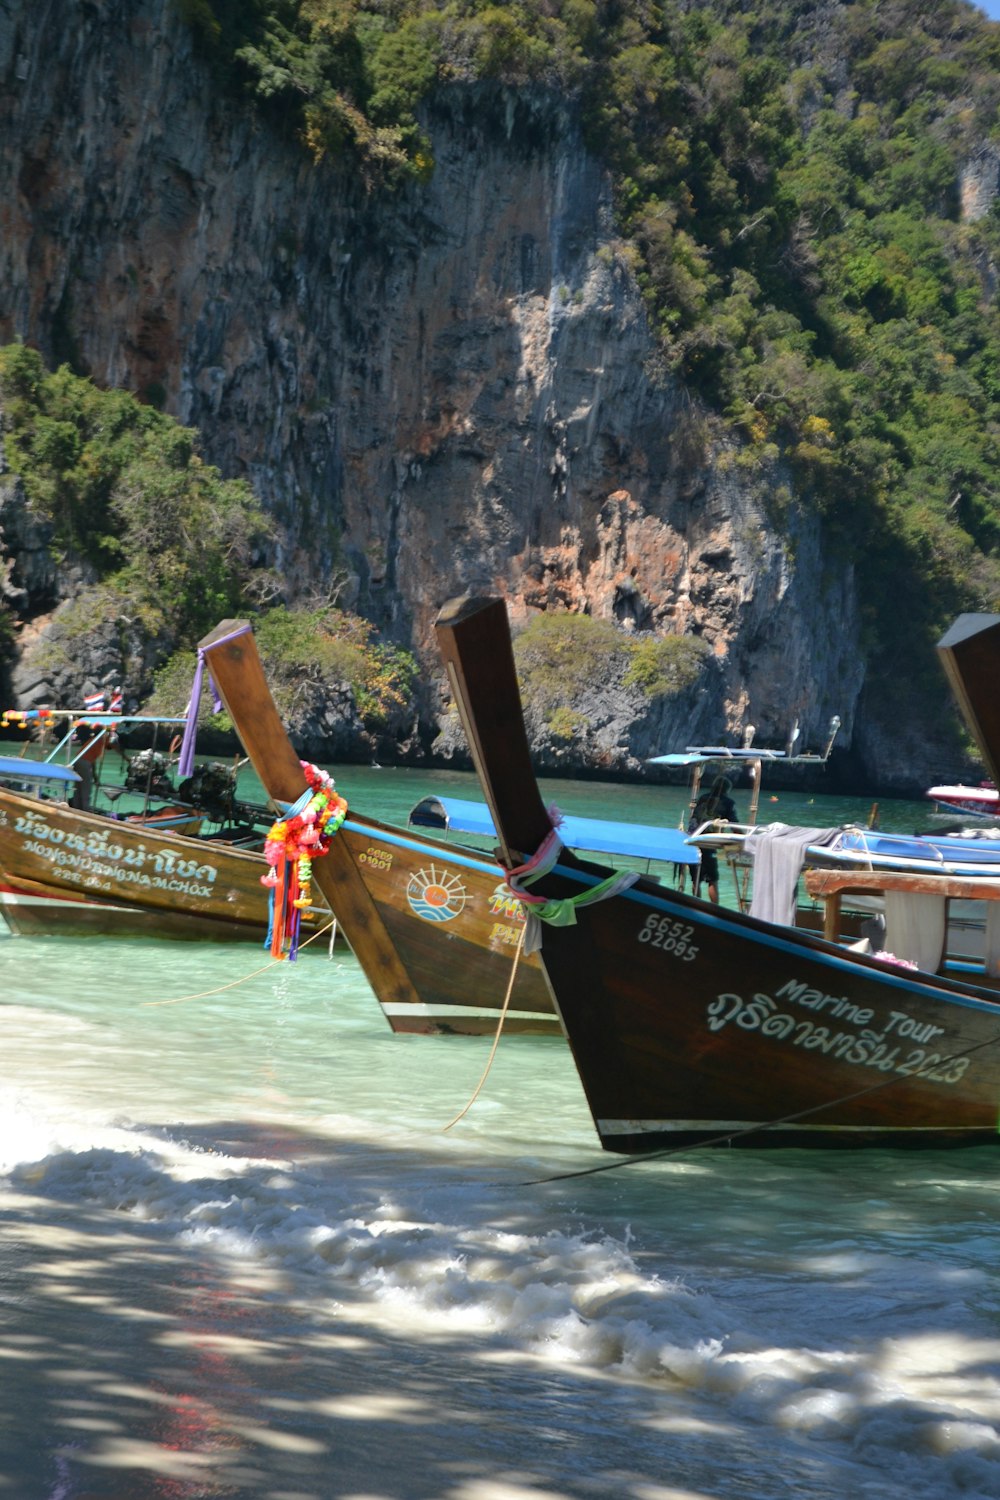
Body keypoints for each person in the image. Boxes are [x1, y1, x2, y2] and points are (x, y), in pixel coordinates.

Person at [687, 775, 738, 903]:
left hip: (693, 840)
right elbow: (734, 825)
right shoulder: (728, 803)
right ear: (727, 789)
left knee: (696, 879)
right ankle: (715, 910)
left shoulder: (703, 798)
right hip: (709, 843)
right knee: (712, 879)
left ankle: (695, 906)